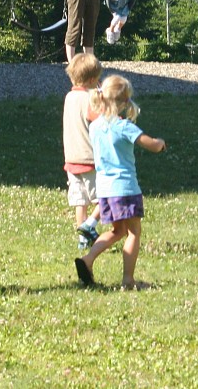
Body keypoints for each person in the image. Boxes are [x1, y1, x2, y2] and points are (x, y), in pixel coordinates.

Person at [73, 75, 165, 290]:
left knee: (117, 231)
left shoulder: (95, 127)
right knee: (133, 232)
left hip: (105, 190)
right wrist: (160, 143)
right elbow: (150, 144)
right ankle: (128, 280)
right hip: (125, 188)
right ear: (124, 102)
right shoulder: (124, 126)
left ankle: (88, 259)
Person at [62, 53, 104, 250]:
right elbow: (103, 121)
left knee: (81, 201)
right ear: (93, 79)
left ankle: (82, 238)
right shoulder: (91, 99)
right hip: (90, 159)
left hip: (71, 159)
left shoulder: (69, 97)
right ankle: (90, 225)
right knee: (106, 198)